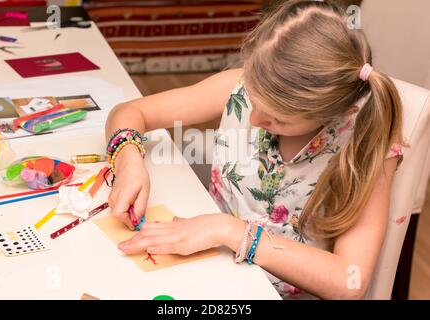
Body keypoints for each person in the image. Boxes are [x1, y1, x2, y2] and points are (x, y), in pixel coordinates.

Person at [104, 0, 406, 299]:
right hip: (209, 268)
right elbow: (131, 112)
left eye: (277, 119)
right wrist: (129, 161)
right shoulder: (238, 87)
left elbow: (348, 282)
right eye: (252, 96)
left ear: (327, 114)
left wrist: (232, 232)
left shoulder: (366, 147)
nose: (253, 118)